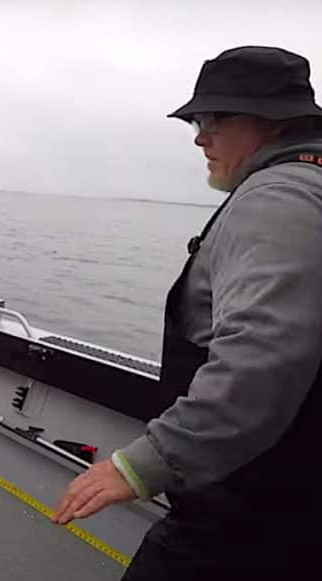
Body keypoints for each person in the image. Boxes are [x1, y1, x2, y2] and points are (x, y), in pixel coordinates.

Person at [53, 46, 322, 578]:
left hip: (249, 510)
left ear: (270, 122)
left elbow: (263, 357)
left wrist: (144, 463)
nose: (200, 136)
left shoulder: (278, 197)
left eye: (213, 119)